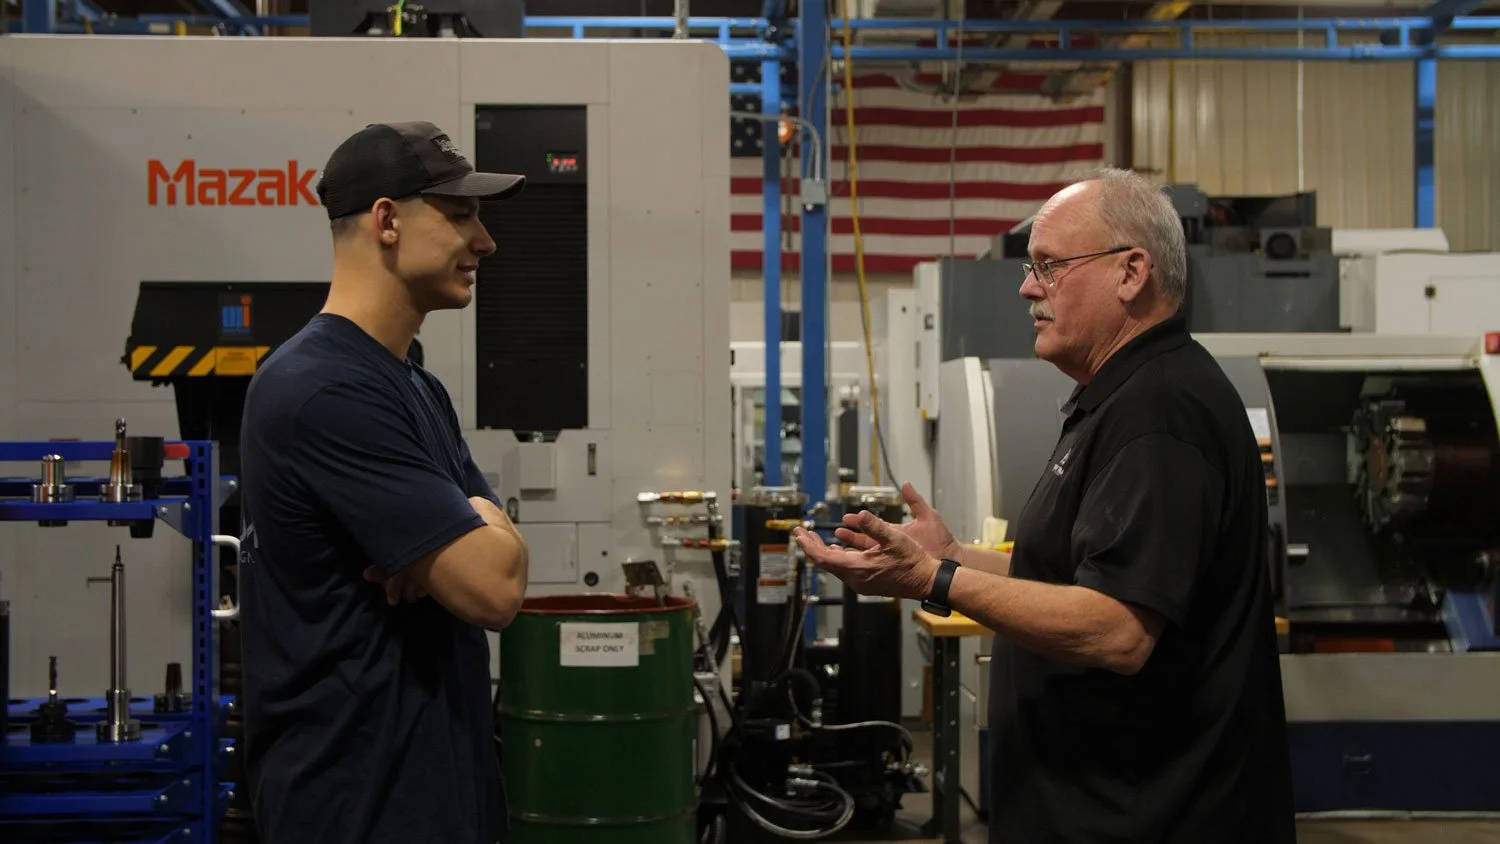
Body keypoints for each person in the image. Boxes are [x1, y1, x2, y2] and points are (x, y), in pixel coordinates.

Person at [792, 168, 1297, 843]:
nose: (1029, 287)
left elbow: (1117, 629)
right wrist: (951, 557)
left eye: (1050, 266)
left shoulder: (1161, 412)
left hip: (1153, 819)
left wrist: (933, 581)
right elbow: (1076, 580)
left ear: (1131, 272)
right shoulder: (1119, 398)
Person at [237, 121, 531, 844]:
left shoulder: (413, 386)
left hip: (436, 787)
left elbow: (492, 555)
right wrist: (467, 534)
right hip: (358, 804)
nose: (484, 242)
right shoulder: (323, 391)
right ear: (387, 220)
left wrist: (460, 535)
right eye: (461, 214)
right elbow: (493, 589)